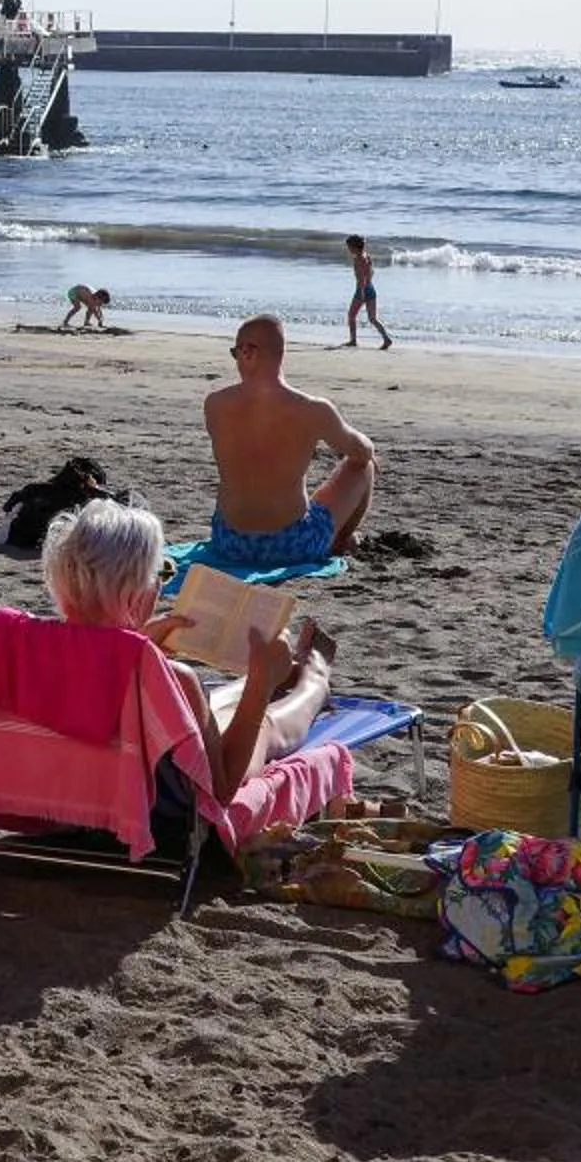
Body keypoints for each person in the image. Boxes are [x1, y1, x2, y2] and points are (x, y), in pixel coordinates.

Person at [43, 499, 335, 802]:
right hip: (165, 804)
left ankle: (277, 677)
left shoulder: (35, 656)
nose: (159, 586)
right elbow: (221, 790)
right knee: (268, 725)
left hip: (93, 785)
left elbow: (102, 687)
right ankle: (315, 679)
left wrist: (141, 644)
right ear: (133, 595)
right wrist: (260, 686)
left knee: (209, 706)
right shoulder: (175, 679)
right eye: (161, 574)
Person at [203, 314, 377, 574]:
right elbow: (361, 452)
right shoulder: (313, 409)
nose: (236, 360)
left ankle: (335, 537)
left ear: (247, 352)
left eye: (235, 352)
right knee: (364, 467)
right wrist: (363, 446)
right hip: (290, 545)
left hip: (228, 541)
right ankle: (339, 541)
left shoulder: (215, 404)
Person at [343, 235, 392, 350]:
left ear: (354, 247)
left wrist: (361, 291)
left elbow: (361, 278)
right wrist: (366, 285)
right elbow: (371, 273)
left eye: (349, 247)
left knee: (351, 316)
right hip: (371, 288)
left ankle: (353, 340)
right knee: (373, 318)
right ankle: (386, 339)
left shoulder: (358, 259)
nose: (348, 249)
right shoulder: (366, 256)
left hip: (362, 290)